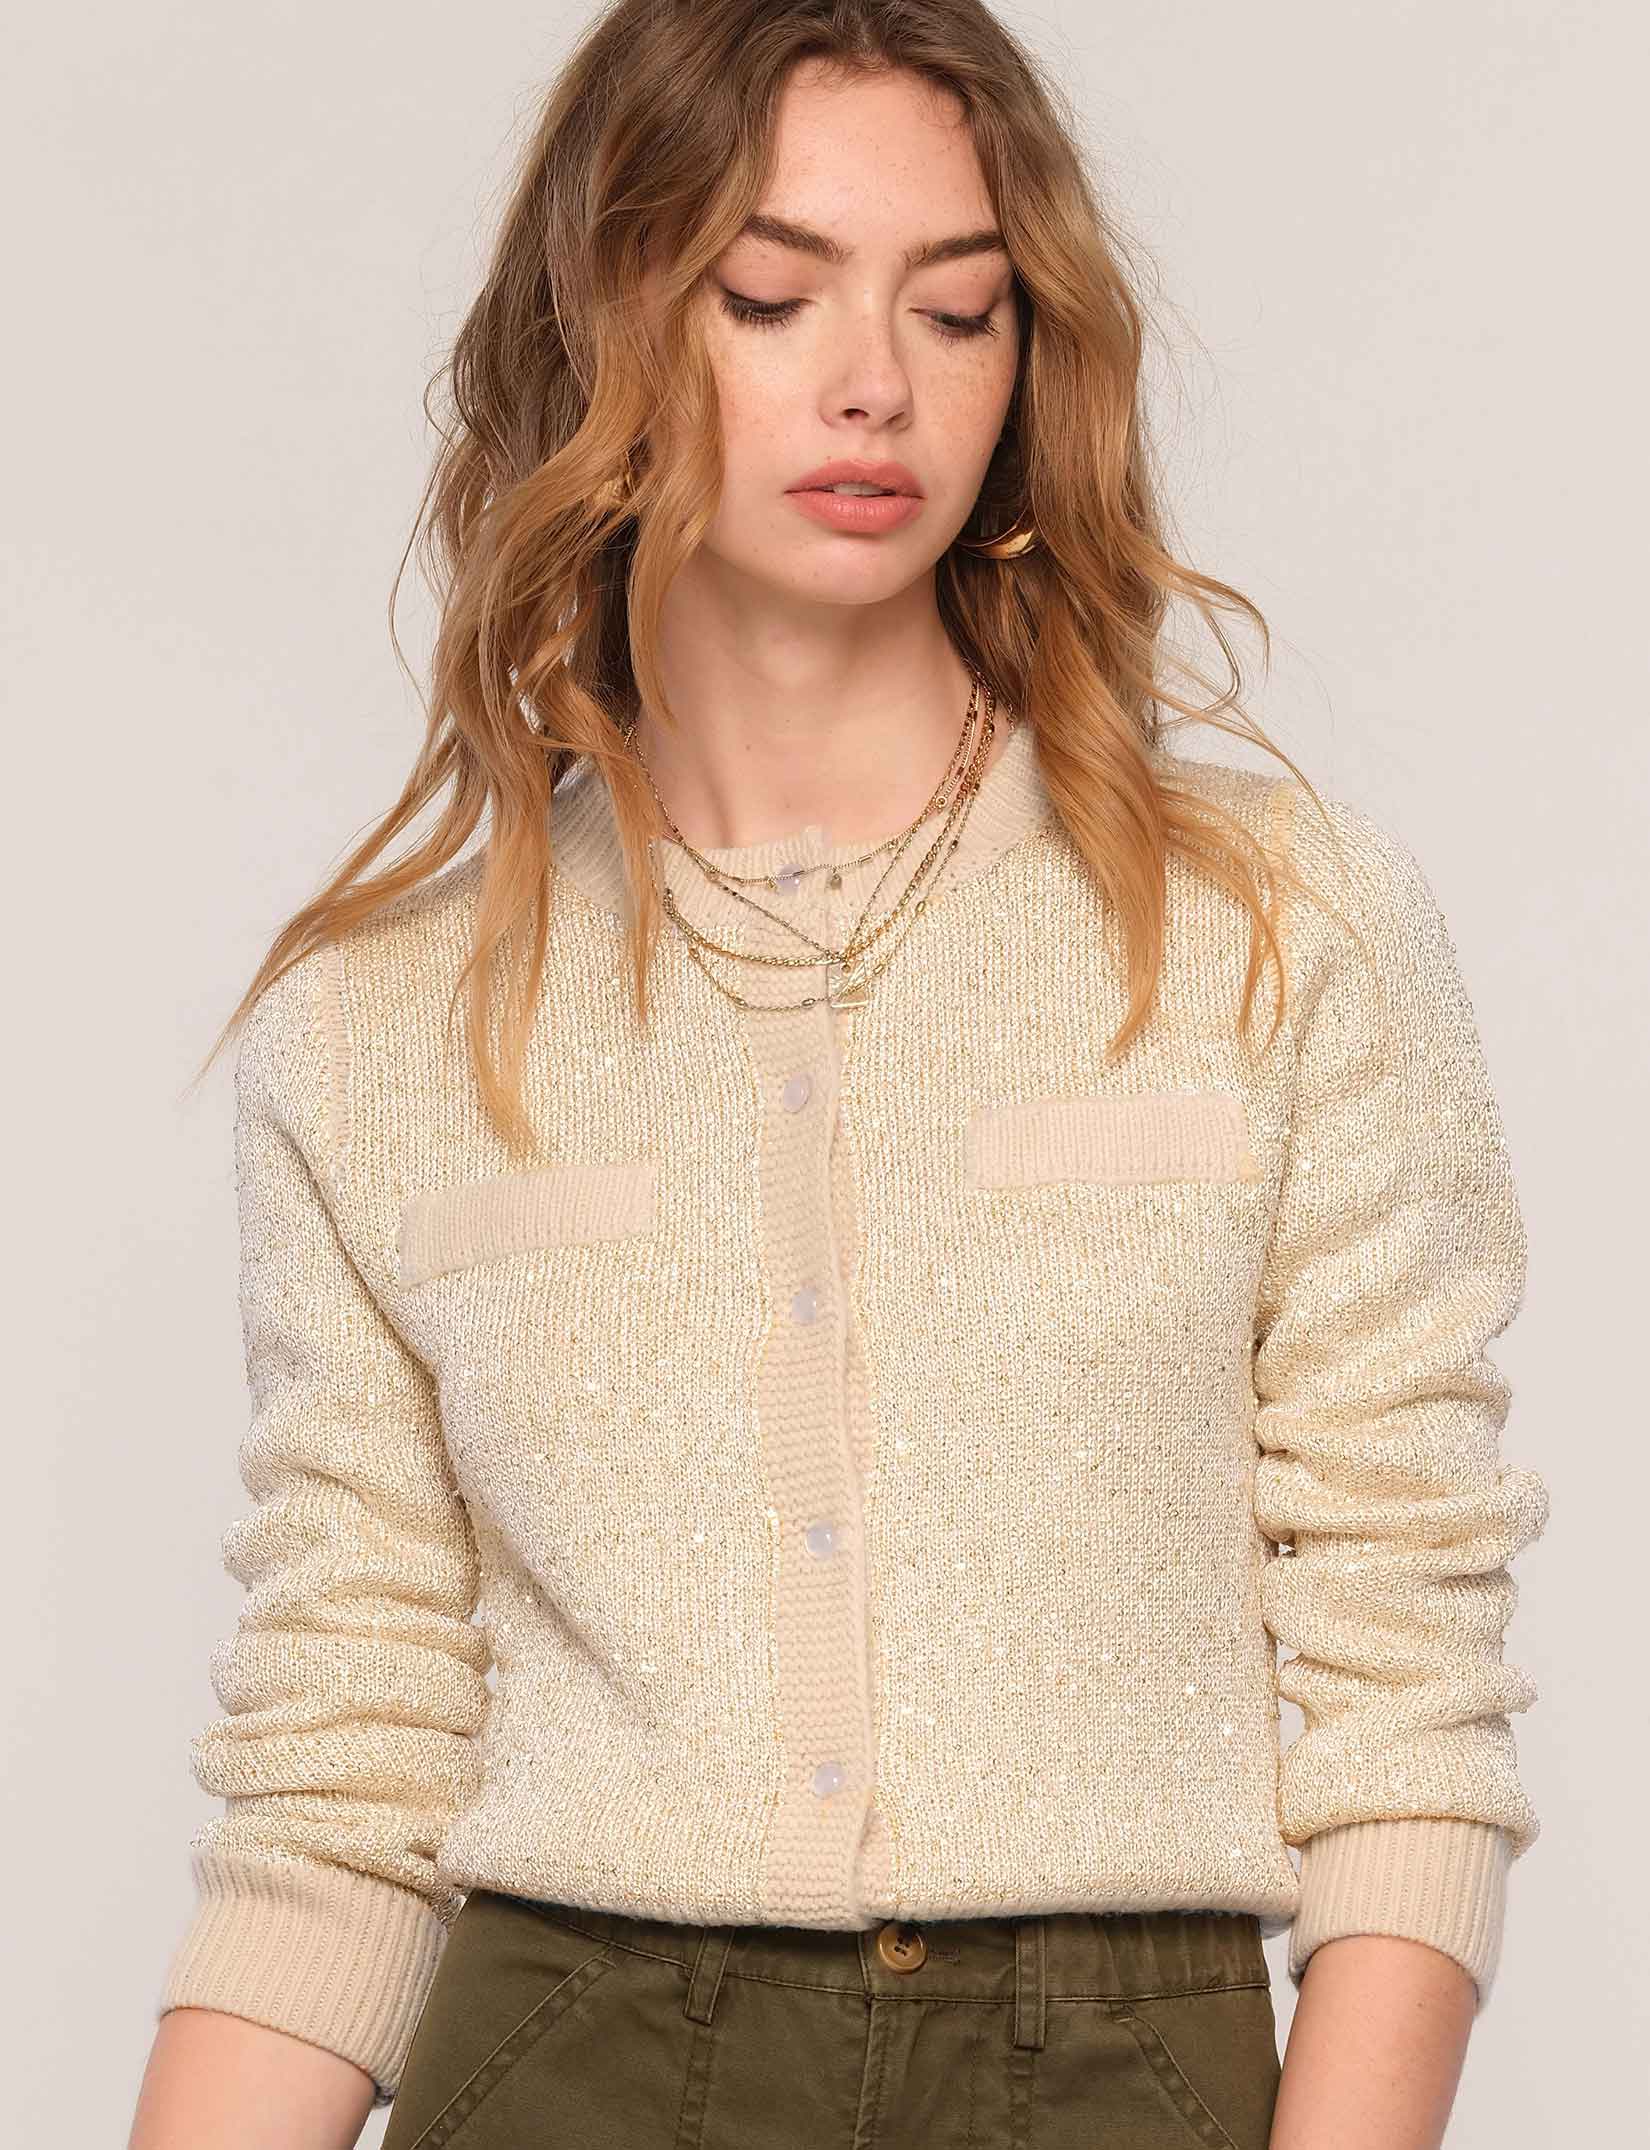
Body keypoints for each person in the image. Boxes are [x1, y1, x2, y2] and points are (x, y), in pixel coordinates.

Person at [127, 4, 1548, 2146]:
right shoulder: (383, 1020)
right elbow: (347, 1760)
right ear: (599, 326)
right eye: (770, 295)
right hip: (566, 2059)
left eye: (958, 309)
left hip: (1117, 2065)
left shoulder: (1283, 927)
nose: (875, 379)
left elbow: (1404, 1681)